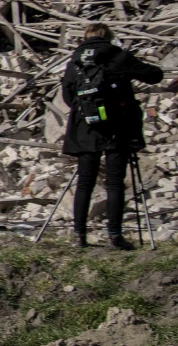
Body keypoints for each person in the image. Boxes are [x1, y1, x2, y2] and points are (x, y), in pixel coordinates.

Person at [61, 22, 163, 249]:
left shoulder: (74, 63)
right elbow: (154, 75)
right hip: (118, 128)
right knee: (115, 183)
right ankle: (115, 236)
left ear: (85, 37)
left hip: (86, 128)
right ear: (108, 37)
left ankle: (79, 235)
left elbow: (68, 97)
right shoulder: (118, 57)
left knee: (85, 182)